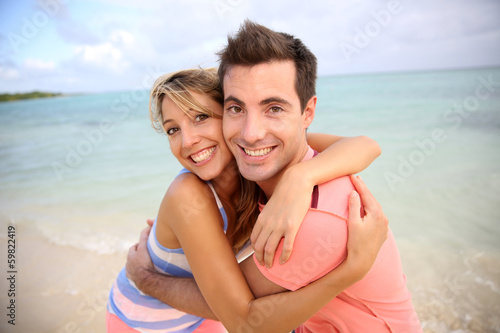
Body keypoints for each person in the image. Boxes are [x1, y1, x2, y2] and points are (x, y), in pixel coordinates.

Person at [128, 21, 423, 332]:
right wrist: (300, 178)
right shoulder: (269, 169)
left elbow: (245, 321)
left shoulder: (312, 220)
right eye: (236, 108)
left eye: (274, 108)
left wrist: (146, 278)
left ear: (307, 113)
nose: (252, 134)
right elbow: (363, 144)